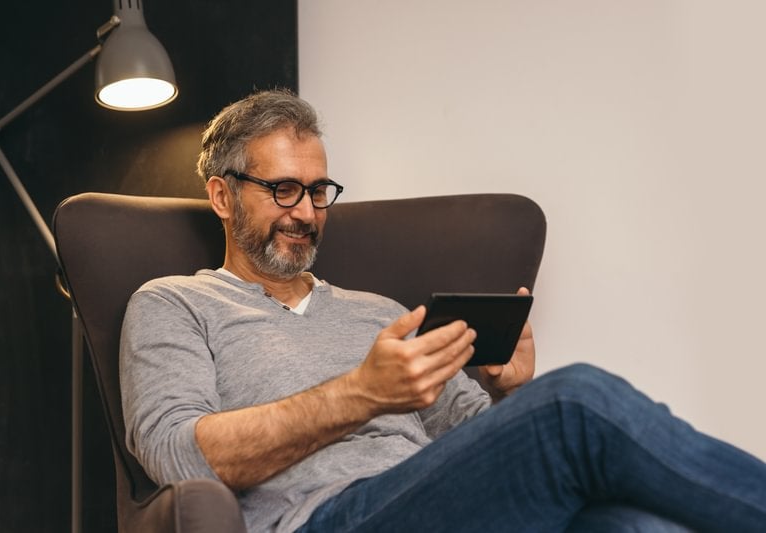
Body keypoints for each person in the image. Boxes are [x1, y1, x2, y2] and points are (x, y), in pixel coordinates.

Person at [120, 89, 766, 533]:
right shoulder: (175, 303)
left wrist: (509, 394)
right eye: (284, 189)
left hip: (433, 505)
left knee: (640, 526)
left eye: (319, 191)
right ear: (222, 195)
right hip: (326, 519)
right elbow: (179, 456)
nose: (308, 212)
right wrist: (359, 393)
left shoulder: (380, 312)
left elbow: (472, 443)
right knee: (576, 402)